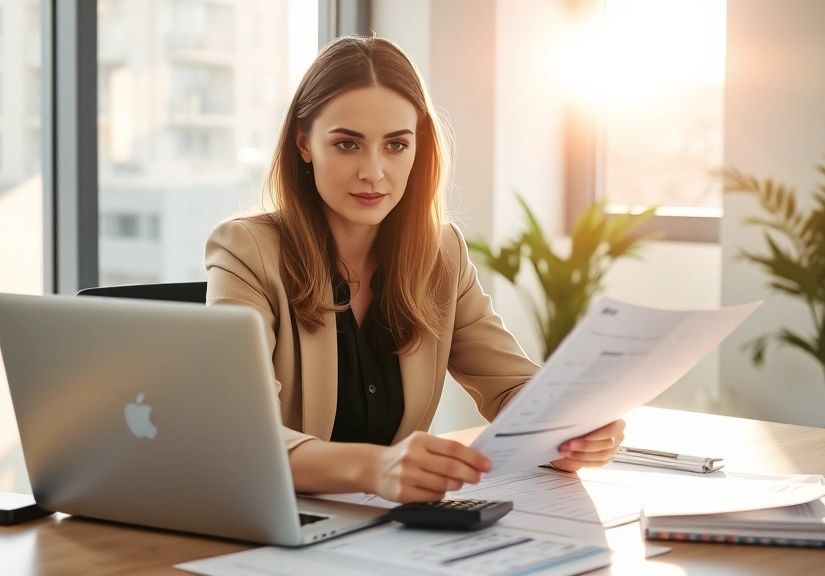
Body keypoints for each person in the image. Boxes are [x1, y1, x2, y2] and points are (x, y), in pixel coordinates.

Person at [205, 36, 624, 503]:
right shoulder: (247, 249)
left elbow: (512, 387)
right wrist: (374, 467)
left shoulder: (441, 253)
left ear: (418, 148)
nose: (373, 171)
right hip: (281, 525)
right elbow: (237, 430)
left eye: (396, 145)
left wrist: (566, 433)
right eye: (347, 144)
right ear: (304, 144)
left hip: (390, 529)